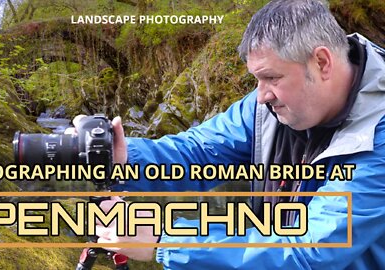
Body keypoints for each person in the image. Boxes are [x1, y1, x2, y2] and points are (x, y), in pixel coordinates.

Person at [81, 0, 385, 269]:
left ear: (321, 62)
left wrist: (163, 241)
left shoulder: (378, 137)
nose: (261, 95)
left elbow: (309, 252)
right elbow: (199, 153)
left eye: (271, 77)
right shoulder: (266, 107)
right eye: (256, 79)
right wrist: (122, 157)